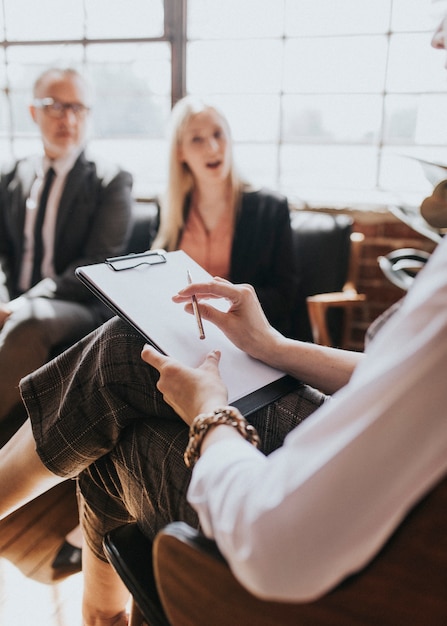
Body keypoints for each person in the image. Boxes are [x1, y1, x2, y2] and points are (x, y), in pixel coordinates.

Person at [0, 14, 446, 626]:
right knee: (127, 362)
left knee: (119, 377)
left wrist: (211, 414)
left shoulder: (263, 209)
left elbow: (277, 546)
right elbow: (396, 377)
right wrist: (272, 345)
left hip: (323, 564)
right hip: (268, 379)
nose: (437, 37)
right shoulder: (169, 211)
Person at [0, 67, 133, 426]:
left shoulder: (110, 180)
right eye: (55, 106)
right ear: (33, 112)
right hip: (17, 299)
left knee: (28, 322)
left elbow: (96, 266)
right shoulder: (12, 176)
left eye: (77, 108)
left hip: (80, 306)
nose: (68, 118)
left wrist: (22, 303)